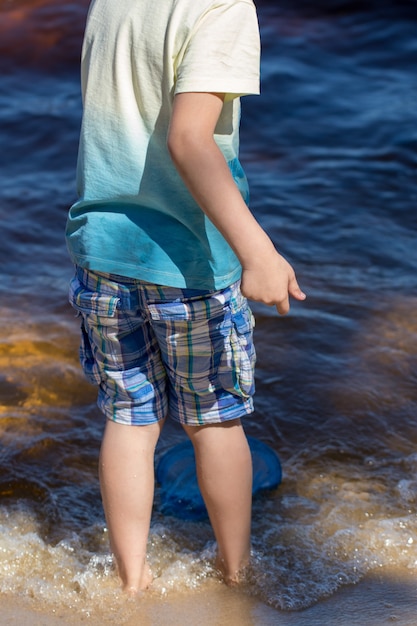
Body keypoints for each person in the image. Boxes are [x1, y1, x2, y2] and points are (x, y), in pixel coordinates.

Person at [66, 0, 306, 595]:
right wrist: (258, 251)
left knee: (129, 419)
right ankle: (236, 576)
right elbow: (188, 140)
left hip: (103, 250)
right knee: (216, 423)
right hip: (190, 261)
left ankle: (131, 580)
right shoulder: (223, 8)